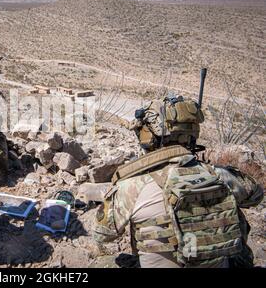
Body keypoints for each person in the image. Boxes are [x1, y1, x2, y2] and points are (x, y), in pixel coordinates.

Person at [93, 95, 264, 268]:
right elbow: (256, 195)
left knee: (101, 263)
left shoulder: (131, 186)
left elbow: (102, 234)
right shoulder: (219, 176)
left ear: (148, 137)